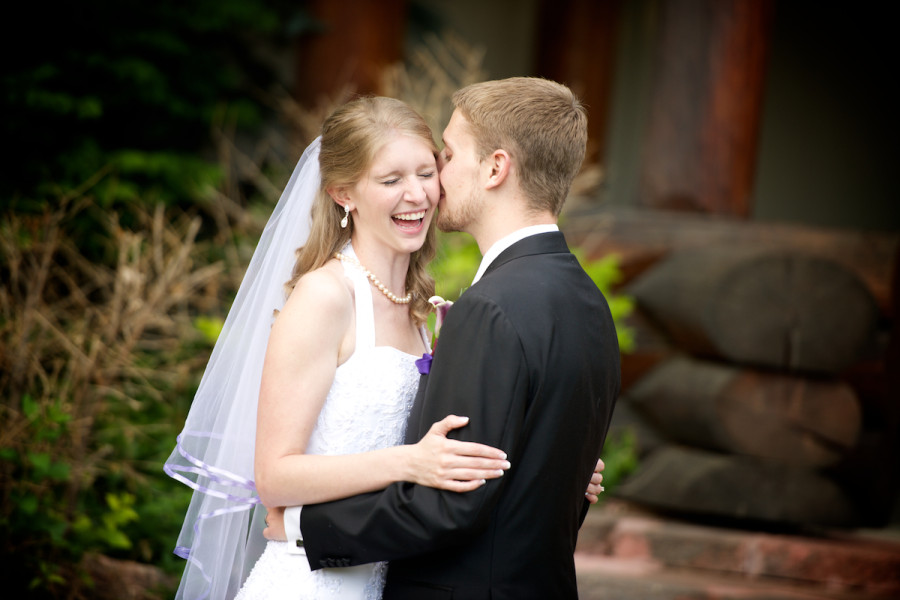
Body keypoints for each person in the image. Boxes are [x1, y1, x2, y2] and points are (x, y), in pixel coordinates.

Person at [274, 77, 621, 599]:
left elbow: (452, 502)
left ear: (496, 168)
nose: (434, 180)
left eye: (447, 157)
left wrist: (303, 528)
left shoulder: (490, 308)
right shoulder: (588, 302)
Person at [164, 96, 512, 600]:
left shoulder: (420, 304)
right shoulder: (325, 297)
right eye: (390, 181)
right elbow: (274, 477)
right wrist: (409, 463)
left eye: (425, 172)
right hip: (309, 584)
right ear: (343, 193)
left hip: (383, 576)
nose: (417, 195)